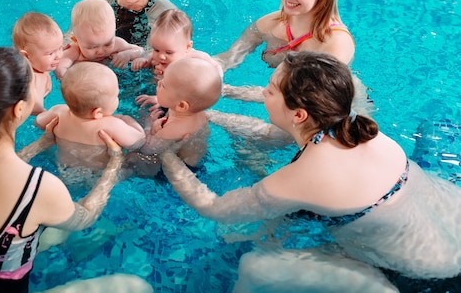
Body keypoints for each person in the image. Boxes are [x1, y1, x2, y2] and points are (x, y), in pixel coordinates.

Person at [158, 51, 461, 292]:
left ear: (299, 115)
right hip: (452, 229)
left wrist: (168, 155)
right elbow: (268, 135)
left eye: (271, 90)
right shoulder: (354, 121)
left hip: (424, 277)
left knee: (254, 266)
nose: (263, 93)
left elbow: (215, 208)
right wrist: (211, 104)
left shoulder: (305, 176)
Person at [0, 47, 152, 293]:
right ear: (20, 109)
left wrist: (40, 144)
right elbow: (85, 217)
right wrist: (113, 166)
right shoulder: (39, 186)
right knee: (137, 287)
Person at [213, 0, 354, 103]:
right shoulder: (272, 23)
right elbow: (230, 57)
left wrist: (224, 90)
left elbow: (298, 98)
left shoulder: (336, 44)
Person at [37, 62, 145, 170]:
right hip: (98, 173)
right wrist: (126, 119)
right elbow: (138, 141)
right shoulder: (112, 125)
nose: (118, 98)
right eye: (116, 96)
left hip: (64, 167)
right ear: (97, 112)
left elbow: (38, 122)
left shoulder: (59, 112)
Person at [129, 58, 221, 177]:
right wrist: (160, 99)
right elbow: (175, 102)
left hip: (181, 170)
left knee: (132, 158)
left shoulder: (175, 128)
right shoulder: (195, 110)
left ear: (181, 105)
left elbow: (148, 149)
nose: (159, 82)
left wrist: (149, 126)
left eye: (164, 86)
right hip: (196, 157)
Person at [133, 9, 223, 112]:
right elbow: (148, 57)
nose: (161, 56)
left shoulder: (194, 59)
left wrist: (219, 81)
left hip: (181, 97)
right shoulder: (157, 55)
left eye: (169, 52)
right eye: (156, 49)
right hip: (162, 89)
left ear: (187, 47)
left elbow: (216, 66)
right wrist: (143, 61)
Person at [55, 0, 143, 80]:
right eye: (92, 47)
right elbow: (60, 66)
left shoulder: (117, 43)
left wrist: (127, 54)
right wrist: (68, 80)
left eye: (107, 44)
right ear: (76, 40)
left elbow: (140, 50)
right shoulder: (75, 51)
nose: (101, 51)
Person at [12, 11, 64, 115]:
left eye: (60, 48)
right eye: (50, 53)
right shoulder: (34, 79)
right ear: (27, 56)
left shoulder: (37, 65)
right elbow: (35, 108)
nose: (58, 56)